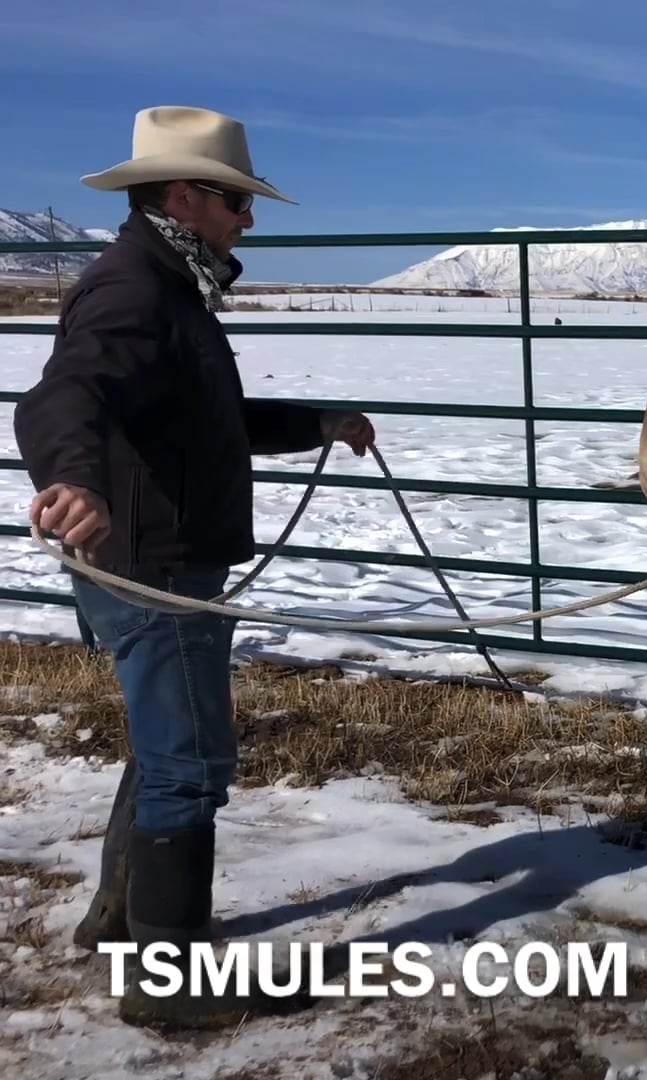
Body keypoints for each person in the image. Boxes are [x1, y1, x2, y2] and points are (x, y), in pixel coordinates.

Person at [13, 105, 375, 1029]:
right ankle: (166, 985)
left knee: (163, 744)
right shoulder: (136, 290)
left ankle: (121, 919)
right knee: (191, 765)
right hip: (157, 565)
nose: (247, 221)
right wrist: (72, 479)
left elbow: (208, 420)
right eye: (237, 202)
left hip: (156, 553)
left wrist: (318, 424)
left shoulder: (167, 283)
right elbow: (63, 396)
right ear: (185, 196)